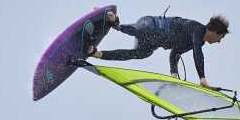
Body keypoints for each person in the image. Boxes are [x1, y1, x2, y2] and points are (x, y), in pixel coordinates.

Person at [87, 11, 229, 88]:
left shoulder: (198, 41)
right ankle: (115, 22)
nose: (219, 41)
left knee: (141, 53)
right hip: (151, 24)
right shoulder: (197, 29)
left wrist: (174, 74)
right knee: (142, 31)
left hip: (153, 41)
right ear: (216, 32)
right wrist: (202, 79)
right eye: (220, 37)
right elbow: (198, 54)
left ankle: (96, 53)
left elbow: (175, 52)